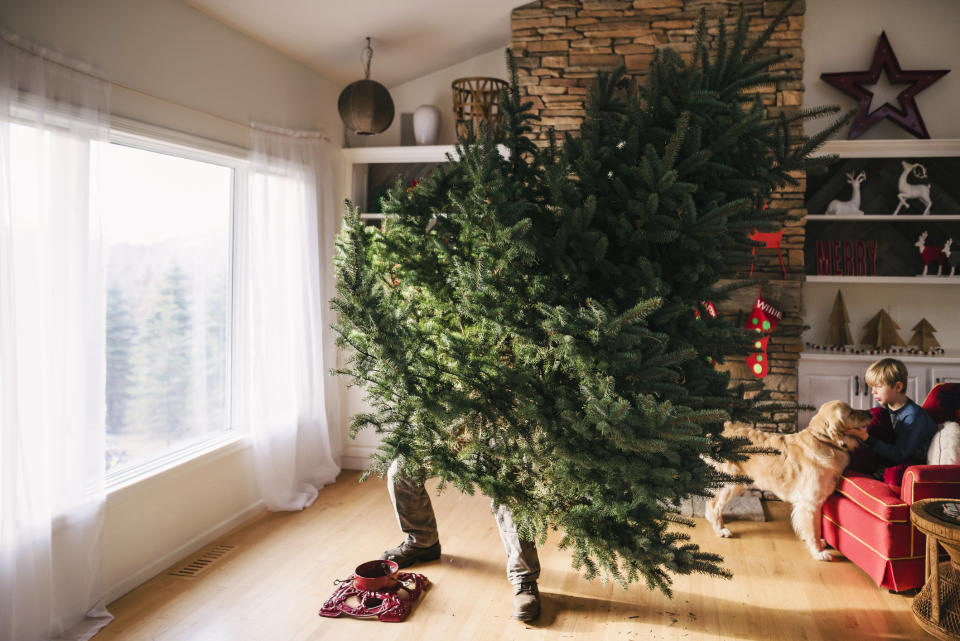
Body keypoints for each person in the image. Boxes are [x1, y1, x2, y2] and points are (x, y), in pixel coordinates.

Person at [379, 459, 541, 621]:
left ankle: (524, 578)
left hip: (495, 447)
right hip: (450, 442)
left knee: (509, 482)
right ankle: (422, 543)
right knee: (400, 470)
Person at [861, 358, 938, 484]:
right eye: (872, 387)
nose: (873, 392)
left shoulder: (913, 416)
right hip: (891, 454)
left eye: (878, 387)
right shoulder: (885, 409)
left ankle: (882, 471)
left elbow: (900, 454)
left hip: (912, 460)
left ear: (898, 387)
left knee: (894, 475)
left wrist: (867, 438)